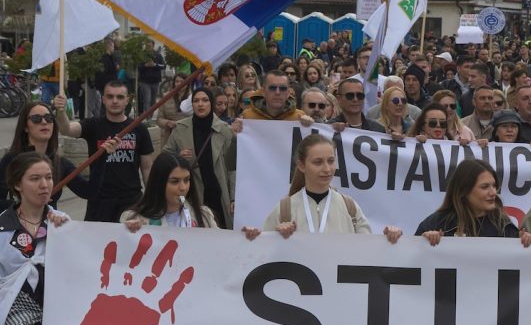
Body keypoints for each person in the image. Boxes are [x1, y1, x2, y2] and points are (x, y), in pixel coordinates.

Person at [0, 152, 69, 325]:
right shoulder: (2, 229)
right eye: (35, 178)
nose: (44, 185)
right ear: (17, 184)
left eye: (49, 177)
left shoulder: (65, 225)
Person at [54, 81, 155, 222]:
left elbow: (147, 167)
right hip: (99, 201)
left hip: (131, 201)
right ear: (103, 99)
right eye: (110, 96)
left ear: (127, 100)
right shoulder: (93, 125)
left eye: (120, 97)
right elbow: (67, 129)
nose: (115, 101)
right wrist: (61, 111)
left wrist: (150, 202)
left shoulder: (139, 128)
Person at [247, 134, 379, 238]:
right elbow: (264, 255)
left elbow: (368, 252)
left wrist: (391, 238)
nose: (327, 169)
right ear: (301, 165)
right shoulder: (284, 209)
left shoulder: (349, 207)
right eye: (318, 162)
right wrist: (272, 238)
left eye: (331, 161)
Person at [0, 102, 115, 209]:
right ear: (25, 126)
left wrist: (102, 156)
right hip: (17, 227)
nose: (44, 122)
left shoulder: (60, 163)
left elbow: (88, 191)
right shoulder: (11, 160)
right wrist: (25, 205)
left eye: (49, 118)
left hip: (49, 227)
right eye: (36, 119)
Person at [162, 88, 236, 229]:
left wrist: (233, 197)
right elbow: (164, 157)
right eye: (196, 101)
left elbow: (232, 167)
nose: (200, 104)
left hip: (218, 193)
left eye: (205, 100)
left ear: (211, 103)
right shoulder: (181, 128)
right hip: (192, 193)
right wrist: (178, 156)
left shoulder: (224, 129)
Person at [415, 160, 518, 243]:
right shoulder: (435, 224)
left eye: (494, 186)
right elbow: (412, 262)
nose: (493, 192)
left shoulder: (505, 227)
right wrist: (423, 243)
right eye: (484, 187)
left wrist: (529, 243)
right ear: (464, 190)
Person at [121, 152, 218, 229]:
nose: (183, 187)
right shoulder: (134, 218)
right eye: (174, 181)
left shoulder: (204, 215)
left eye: (186, 180)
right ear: (159, 183)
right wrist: (128, 232)